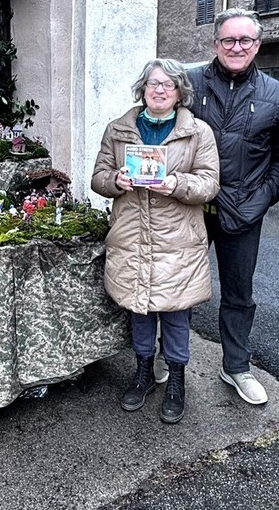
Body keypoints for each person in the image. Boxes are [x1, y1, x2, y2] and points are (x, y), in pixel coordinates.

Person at [91, 59, 219, 424]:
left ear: (180, 92)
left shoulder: (198, 132)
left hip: (176, 239)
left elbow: (210, 183)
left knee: (176, 312)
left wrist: (178, 184)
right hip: (132, 236)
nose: (159, 90)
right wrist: (115, 180)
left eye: (168, 85)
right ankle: (144, 372)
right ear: (142, 89)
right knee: (139, 310)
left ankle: (176, 380)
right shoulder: (119, 130)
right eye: (152, 84)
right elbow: (97, 177)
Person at [186, 8, 279, 405]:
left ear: (257, 45)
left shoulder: (277, 95)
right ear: (215, 44)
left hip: (243, 210)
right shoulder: (190, 83)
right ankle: (169, 358)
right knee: (178, 285)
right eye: (228, 40)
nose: (236, 47)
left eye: (244, 40)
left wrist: (262, 200)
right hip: (190, 207)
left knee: (238, 293)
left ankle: (235, 366)